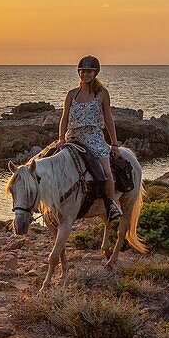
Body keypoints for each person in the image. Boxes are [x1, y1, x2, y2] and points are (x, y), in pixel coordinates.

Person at [52, 55, 123, 220]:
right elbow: (64, 118)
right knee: (50, 163)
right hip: (73, 137)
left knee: (106, 172)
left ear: (95, 73)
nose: (86, 74)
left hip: (94, 138)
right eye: (83, 71)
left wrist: (114, 143)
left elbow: (108, 118)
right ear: (79, 73)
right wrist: (61, 138)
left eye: (89, 72)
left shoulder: (102, 93)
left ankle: (110, 205)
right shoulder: (72, 94)